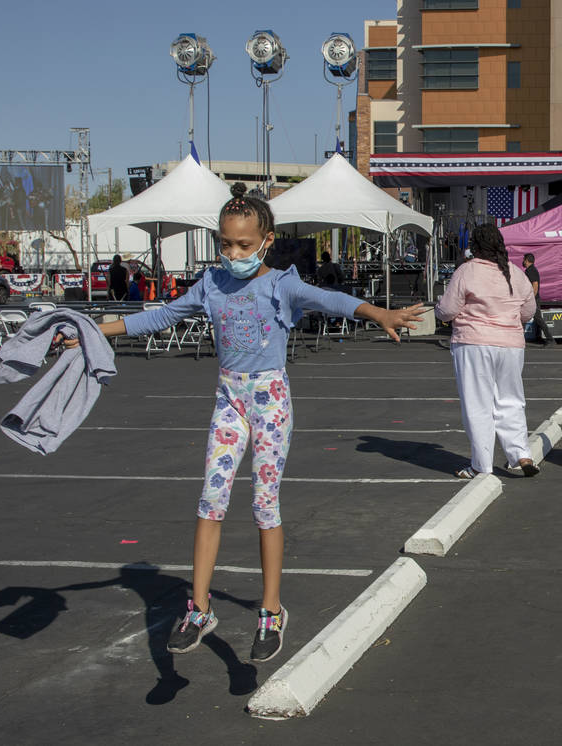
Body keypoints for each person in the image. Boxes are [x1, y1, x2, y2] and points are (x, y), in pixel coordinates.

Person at [63, 182, 428, 662]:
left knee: (264, 503)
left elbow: (332, 300)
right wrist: (93, 330)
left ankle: (271, 611)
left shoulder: (281, 284)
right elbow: (161, 316)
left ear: (267, 240)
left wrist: (378, 311)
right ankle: (199, 608)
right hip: (229, 400)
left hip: (270, 400)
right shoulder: (211, 285)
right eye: (225, 243)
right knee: (211, 500)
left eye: (243, 244)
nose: (232, 252)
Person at [436, 223, 540, 480]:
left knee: (478, 404)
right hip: (511, 346)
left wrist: (439, 311)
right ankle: (521, 454)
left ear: (475, 245)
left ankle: (481, 465)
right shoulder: (516, 273)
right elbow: (529, 311)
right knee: (511, 400)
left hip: (474, 344)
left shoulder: (467, 271)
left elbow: (447, 310)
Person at [521, 252, 554, 346]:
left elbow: (535, 285)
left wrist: (531, 298)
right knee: (526, 318)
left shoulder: (531, 270)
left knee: (537, 319)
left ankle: (550, 339)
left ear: (526, 260)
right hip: (532, 298)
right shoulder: (531, 270)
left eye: (524, 260)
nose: (523, 262)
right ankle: (522, 339)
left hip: (533, 299)